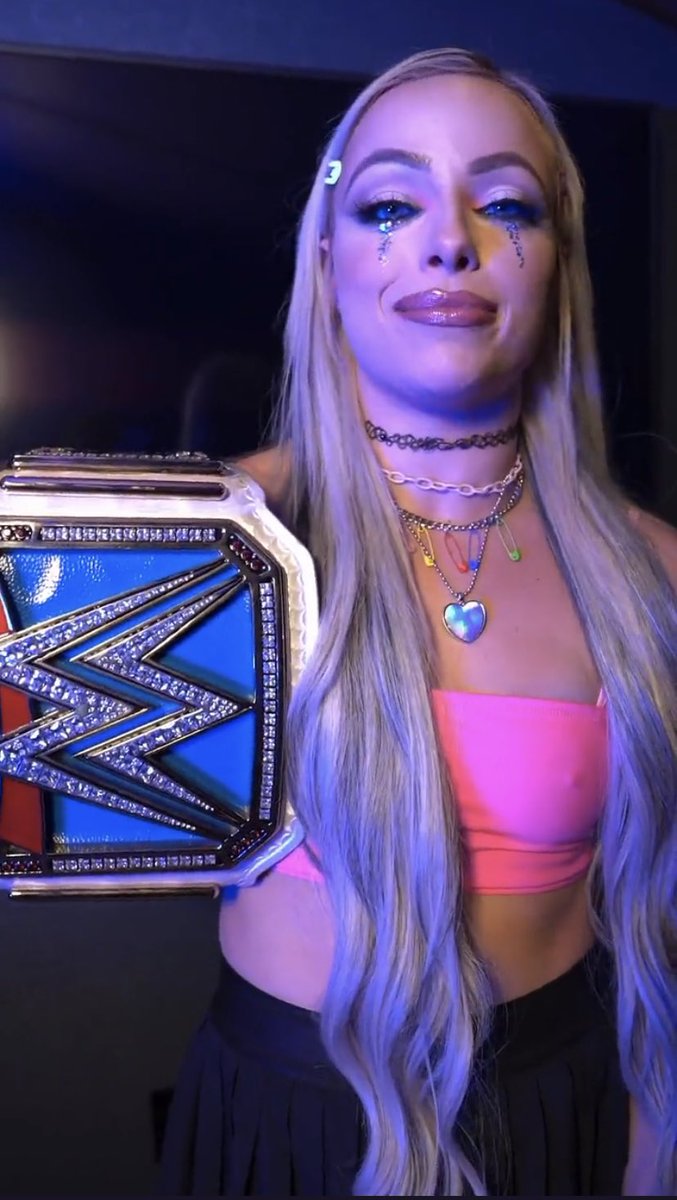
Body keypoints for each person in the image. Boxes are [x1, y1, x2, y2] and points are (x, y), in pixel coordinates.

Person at [158, 47, 677, 1197]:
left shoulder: (651, 572)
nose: (450, 241)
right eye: (391, 204)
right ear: (327, 257)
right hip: (281, 1130)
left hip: (560, 1122)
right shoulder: (201, 542)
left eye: (506, 205)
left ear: (557, 262)